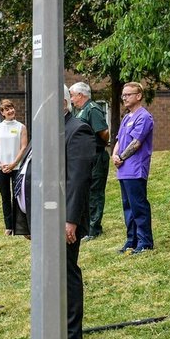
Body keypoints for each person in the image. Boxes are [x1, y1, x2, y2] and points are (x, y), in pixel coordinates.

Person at [15, 96, 96, 339]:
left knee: (65, 273)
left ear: (62, 103)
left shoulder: (77, 130)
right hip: (41, 218)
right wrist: (25, 221)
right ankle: (52, 329)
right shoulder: (44, 132)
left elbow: (78, 179)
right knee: (48, 275)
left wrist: (70, 219)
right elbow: (27, 173)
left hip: (62, 220)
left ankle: (71, 335)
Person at [112, 82, 154, 254]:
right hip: (123, 170)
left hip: (135, 169)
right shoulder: (127, 117)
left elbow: (136, 143)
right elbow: (119, 141)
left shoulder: (144, 117)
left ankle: (145, 241)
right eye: (123, 95)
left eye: (128, 94)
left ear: (138, 96)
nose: (124, 98)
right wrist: (114, 155)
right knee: (127, 207)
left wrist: (121, 157)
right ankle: (132, 240)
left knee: (138, 206)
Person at [69, 82, 110, 241]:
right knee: (86, 191)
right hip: (86, 156)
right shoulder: (81, 111)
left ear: (81, 95)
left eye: (72, 95)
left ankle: (94, 228)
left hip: (96, 155)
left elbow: (103, 132)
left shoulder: (92, 109)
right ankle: (87, 226)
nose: (71, 99)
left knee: (95, 192)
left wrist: (97, 145)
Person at [0, 99, 28, 235]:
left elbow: (23, 147)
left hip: (16, 167)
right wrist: (0, 164)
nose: (10, 111)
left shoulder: (21, 127)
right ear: (2, 112)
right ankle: (9, 226)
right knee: (5, 197)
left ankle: (18, 225)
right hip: (1, 168)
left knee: (17, 196)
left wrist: (13, 164)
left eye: (11, 108)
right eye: (7, 109)